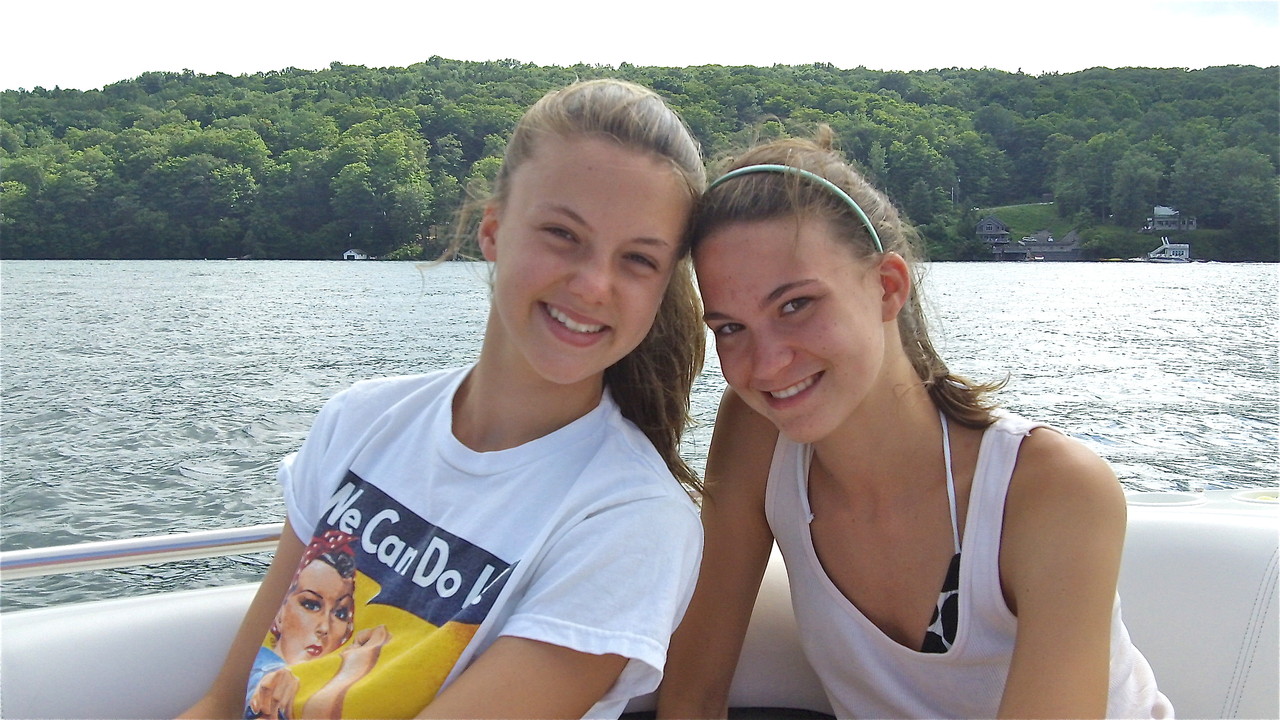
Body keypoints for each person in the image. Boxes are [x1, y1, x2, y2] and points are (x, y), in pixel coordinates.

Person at [181, 78, 708, 720]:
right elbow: (220, 701)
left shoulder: (631, 520)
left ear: (662, 290)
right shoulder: (361, 422)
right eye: (563, 235)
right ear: (493, 231)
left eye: (638, 260)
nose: (594, 284)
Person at [657, 130, 1172, 719]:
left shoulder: (1047, 491)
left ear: (887, 287)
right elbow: (692, 698)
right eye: (729, 327)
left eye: (796, 305)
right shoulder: (759, 435)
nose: (767, 363)